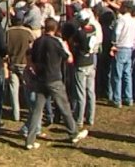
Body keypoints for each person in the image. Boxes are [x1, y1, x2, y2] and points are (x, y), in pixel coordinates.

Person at [25, 18, 88, 150]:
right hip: (54, 78)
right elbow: (69, 59)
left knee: (37, 110)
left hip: (40, 78)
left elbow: (32, 57)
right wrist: (67, 49)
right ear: (55, 29)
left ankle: (30, 140)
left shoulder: (37, 42)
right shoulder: (56, 42)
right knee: (64, 106)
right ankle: (73, 132)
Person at [110, 1, 135, 108]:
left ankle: (117, 99)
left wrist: (114, 44)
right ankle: (128, 98)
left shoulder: (121, 20)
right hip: (129, 48)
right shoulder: (133, 21)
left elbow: (117, 32)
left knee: (117, 75)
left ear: (125, 8)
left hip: (121, 47)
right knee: (127, 74)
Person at [70, 9, 97, 128]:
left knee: (80, 93)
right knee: (90, 91)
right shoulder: (93, 29)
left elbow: (74, 44)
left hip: (81, 63)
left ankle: (79, 119)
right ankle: (90, 117)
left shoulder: (79, 33)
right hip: (90, 62)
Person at [6, 10, 34, 122]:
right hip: (24, 63)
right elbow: (32, 47)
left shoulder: (8, 32)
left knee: (14, 91)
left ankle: (15, 115)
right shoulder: (28, 32)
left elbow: (5, 48)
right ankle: (31, 112)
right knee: (28, 90)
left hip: (12, 64)